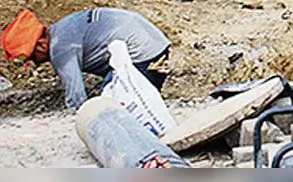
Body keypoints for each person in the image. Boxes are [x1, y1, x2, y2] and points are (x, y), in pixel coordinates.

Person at [1, 8, 170, 111]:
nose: (35, 63)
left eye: (32, 57)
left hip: (145, 56)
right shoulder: (62, 27)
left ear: (41, 46)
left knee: (111, 108)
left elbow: (77, 100)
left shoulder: (60, 48)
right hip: (157, 44)